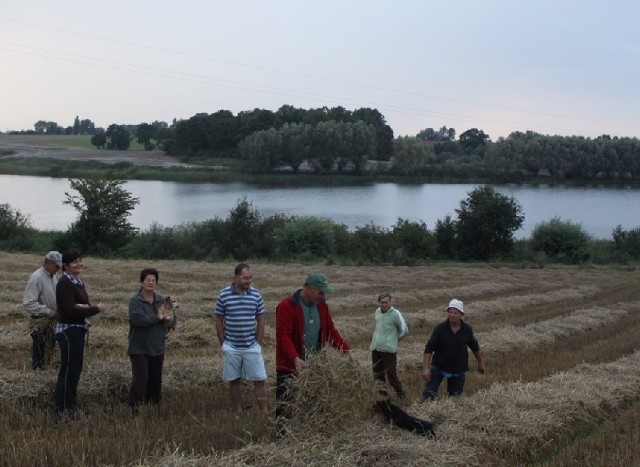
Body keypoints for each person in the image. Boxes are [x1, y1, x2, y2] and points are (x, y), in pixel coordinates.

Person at [275, 273, 354, 431]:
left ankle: (307, 436)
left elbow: (330, 331)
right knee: (286, 406)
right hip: (291, 367)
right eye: (320, 292)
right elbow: (283, 337)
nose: (323, 296)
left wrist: (346, 350)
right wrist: (295, 359)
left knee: (313, 405)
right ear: (309, 289)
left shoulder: (321, 305)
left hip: (315, 365)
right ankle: (282, 438)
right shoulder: (287, 306)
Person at [54, 249, 107, 419]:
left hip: (78, 329)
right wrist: (96, 309)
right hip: (68, 331)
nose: (79, 264)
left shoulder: (78, 282)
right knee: (68, 370)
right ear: (66, 266)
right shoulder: (64, 283)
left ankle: (71, 406)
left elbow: (83, 305)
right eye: (74, 262)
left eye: (80, 261)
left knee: (75, 370)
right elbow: (70, 309)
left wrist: (86, 308)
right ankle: (62, 409)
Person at [214, 263, 269, 416]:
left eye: (250, 277)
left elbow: (261, 319)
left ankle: (264, 412)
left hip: (251, 345)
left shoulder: (256, 295)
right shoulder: (224, 294)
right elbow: (218, 319)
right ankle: (238, 411)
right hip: (231, 346)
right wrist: (223, 343)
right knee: (234, 380)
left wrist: (258, 343)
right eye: (245, 278)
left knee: (259, 379)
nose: (249, 281)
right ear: (236, 277)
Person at [127, 268, 177, 414]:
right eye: (147, 280)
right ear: (141, 282)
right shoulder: (135, 301)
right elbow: (138, 320)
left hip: (157, 345)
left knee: (155, 380)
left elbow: (173, 315)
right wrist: (158, 318)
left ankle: (154, 409)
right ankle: (133, 408)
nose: (150, 282)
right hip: (139, 347)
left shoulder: (162, 300)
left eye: (153, 280)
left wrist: (172, 328)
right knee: (140, 380)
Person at [421, 298, 485, 401]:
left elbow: (474, 347)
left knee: (455, 399)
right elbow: (429, 348)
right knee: (428, 394)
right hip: (439, 366)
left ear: (461, 314)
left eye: (455, 313)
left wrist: (480, 363)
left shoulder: (467, 329)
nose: (452, 315)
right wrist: (425, 368)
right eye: (450, 312)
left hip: (458, 369)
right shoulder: (440, 329)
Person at [23, 251, 62, 370]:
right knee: (39, 352)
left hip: (52, 322)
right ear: (48, 263)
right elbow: (28, 303)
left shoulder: (54, 276)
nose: (59, 268)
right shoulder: (36, 277)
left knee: (49, 349)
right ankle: (37, 374)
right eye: (57, 266)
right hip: (40, 322)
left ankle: (46, 371)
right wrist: (47, 311)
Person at [369, 292, 408, 398]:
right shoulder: (377, 312)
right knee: (377, 374)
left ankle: (401, 395)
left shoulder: (396, 314)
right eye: (382, 302)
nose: (384, 304)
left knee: (391, 375)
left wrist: (393, 341)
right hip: (376, 348)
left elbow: (404, 330)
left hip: (389, 350)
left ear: (390, 302)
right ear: (379, 302)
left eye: (386, 302)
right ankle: (382, 396)